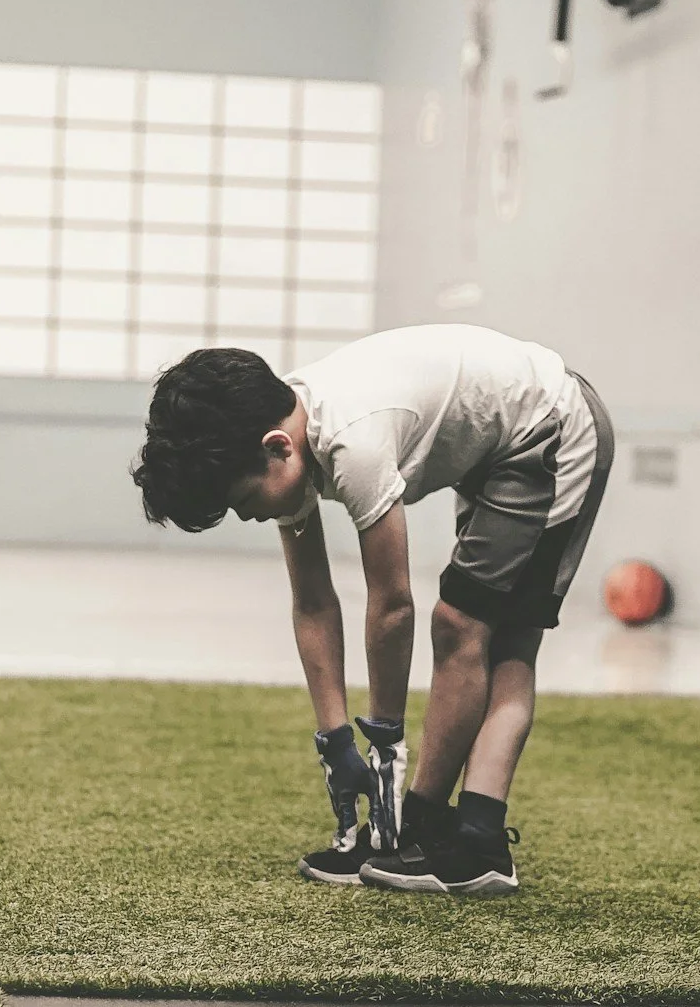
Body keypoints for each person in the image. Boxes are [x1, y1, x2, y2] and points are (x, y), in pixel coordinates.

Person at [132, 324, 612, 896]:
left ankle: (453, 836)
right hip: (497, 447)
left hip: (553, 426)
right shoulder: (279, 434)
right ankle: (433, 833)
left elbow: (391, 605)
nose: (246, 516)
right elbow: (313, 602)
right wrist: (336, 741)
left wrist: (385, 746)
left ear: (277, 448)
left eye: (243, 502)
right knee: (477, 628)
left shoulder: (352, 442)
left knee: (478, 629)